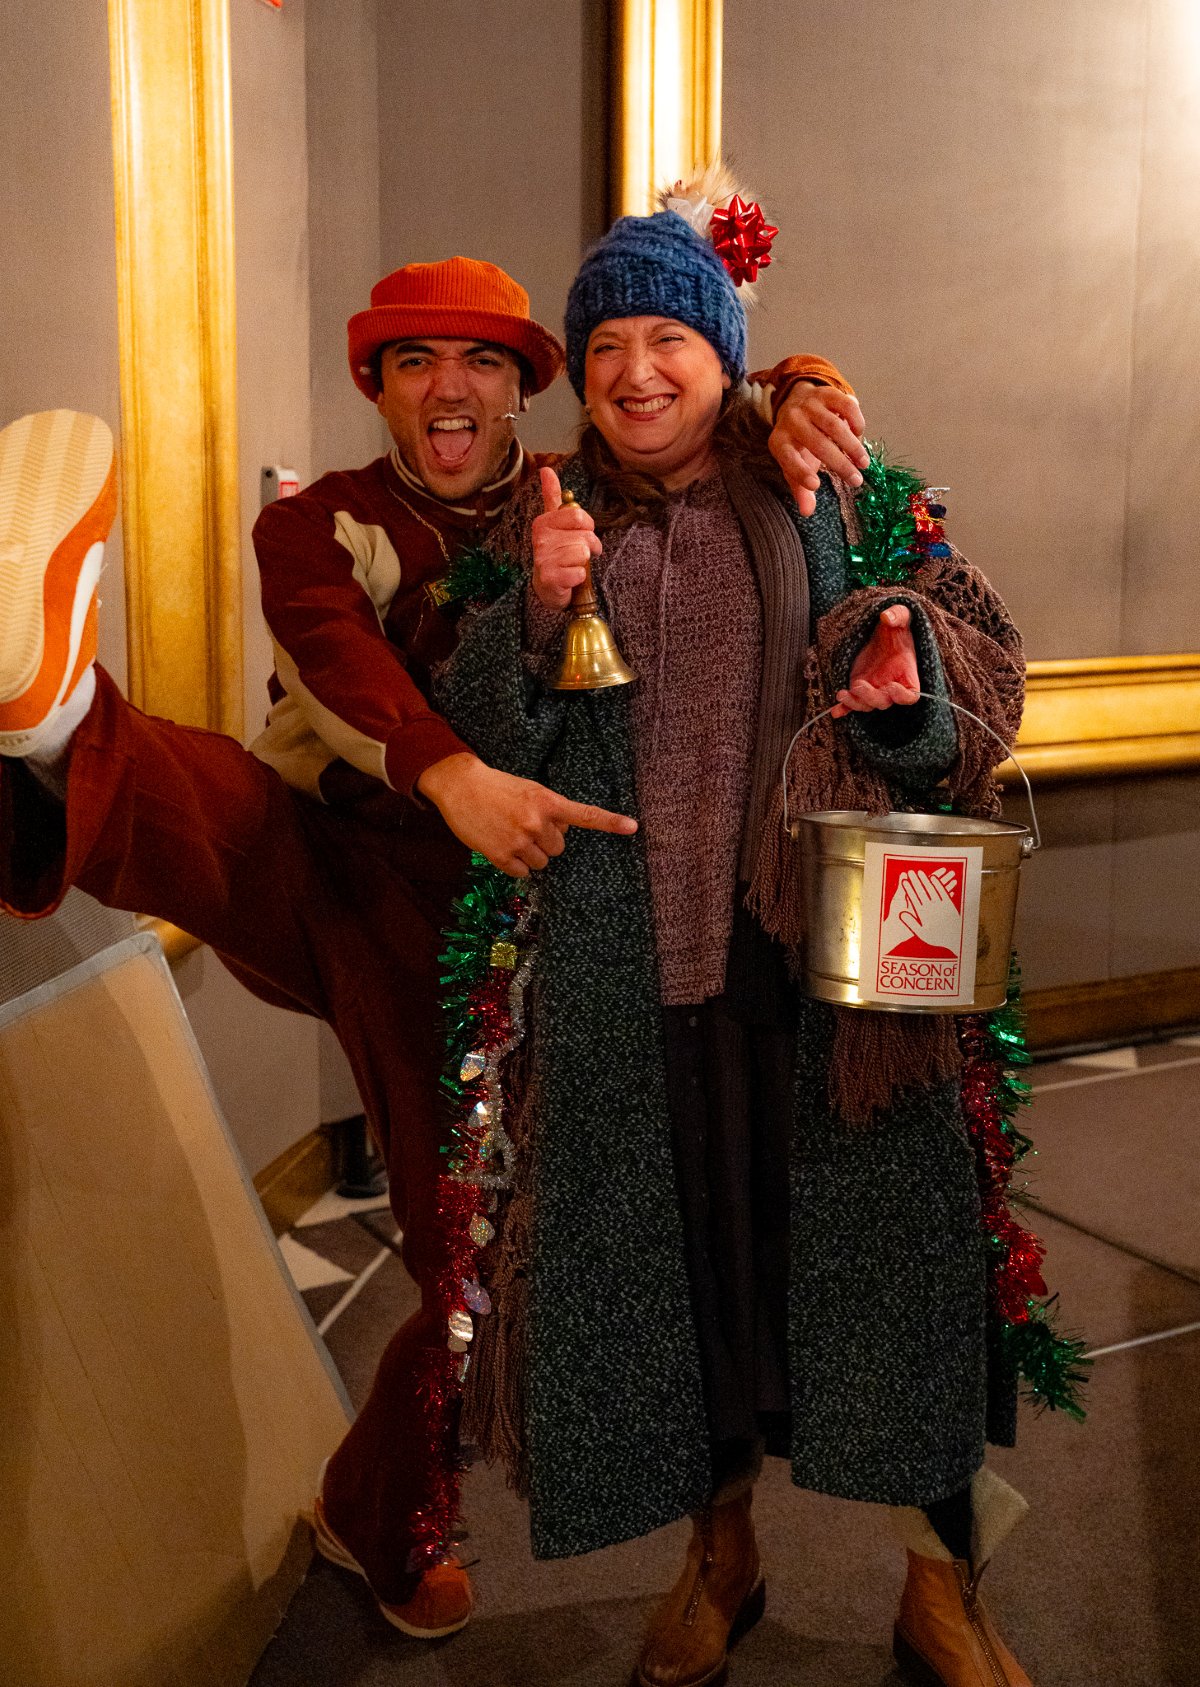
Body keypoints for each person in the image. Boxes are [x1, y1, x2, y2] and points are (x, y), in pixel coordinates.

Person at [0, 257, 866, 1639]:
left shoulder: (578, 489)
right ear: (380, 389)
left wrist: (797, 378)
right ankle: (52, 721)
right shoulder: (323, 522)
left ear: (528, 386)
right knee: (216, 795)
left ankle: (376, 1514)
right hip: (334, 849)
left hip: (478, 926)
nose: (447, 387)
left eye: (479, 360)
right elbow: (331, 658)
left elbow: (690, 403)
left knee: (468, 1247)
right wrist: (449, 769)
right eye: (413, 362)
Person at [433, 179, 1057, 1687]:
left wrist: (903, 692)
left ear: (725, 358)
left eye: (669, 339)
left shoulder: (835, 488)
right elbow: (474, 727)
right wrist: (529, 612)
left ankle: (940, 1579)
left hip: (833, 996)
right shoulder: (549, 521)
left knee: (891, 1291)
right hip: (635, 996)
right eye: (605, 351)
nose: (636, 373)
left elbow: (988, 689)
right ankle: (723, 1554)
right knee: (690, 1299)